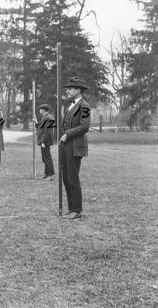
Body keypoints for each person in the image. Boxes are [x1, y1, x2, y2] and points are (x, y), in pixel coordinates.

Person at [59, 77, 91, 220]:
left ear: (78, 90)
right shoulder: (69, 106)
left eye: (71, 88)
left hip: (75, 146)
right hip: (66, 145)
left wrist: (67, 134)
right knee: (66, 178)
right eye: (68, 88)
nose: (68, 90)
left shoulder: (84, 106)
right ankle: (71, 208)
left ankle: (77, 210)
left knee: (72, 178)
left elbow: (85, 127)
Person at [34, 103, 55, 180]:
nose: (39, 111)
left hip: (46, 141)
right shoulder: (45, 117)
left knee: (47, 158)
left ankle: (50, 175)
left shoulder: (49, 117)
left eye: (40, 109)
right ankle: (46, 174)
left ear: (44, 110)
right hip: (44, 140)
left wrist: (43, 142)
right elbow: (41, 127)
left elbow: (48, 131)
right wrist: (36, 123)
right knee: (44, 158)